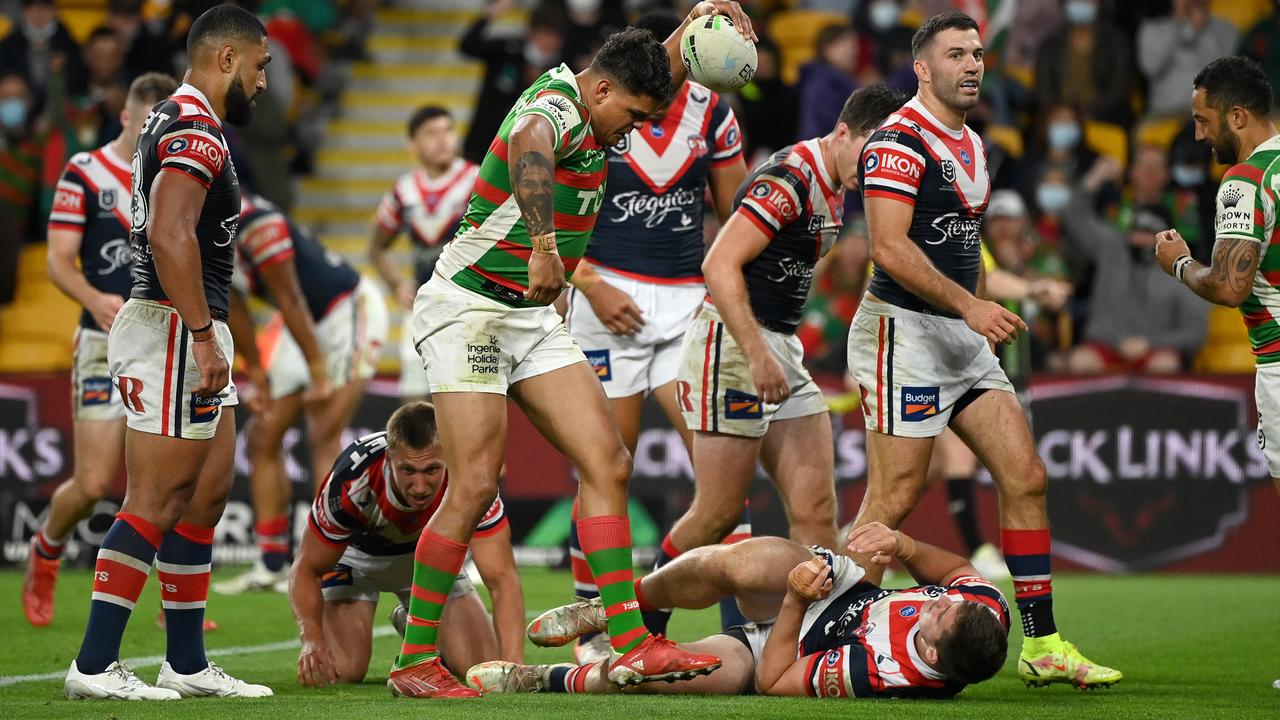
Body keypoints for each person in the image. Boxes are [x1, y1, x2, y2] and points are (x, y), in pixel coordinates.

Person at [387, 4, 758, 699]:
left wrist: (701, 16)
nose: (637, 131)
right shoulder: (553, 105)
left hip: (529, 319)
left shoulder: (610, 91)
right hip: (469, 308)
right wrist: (546, 244)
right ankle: (413, 661)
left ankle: (631, 643)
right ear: (601, 92)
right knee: (472, 485)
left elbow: (658, 59)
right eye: (634, 118)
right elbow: (528, 143)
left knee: (607, 461)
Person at [845, 11, 1121, 690]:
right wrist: (969, 304)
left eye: (978, 54)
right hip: (902, 332)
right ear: (922, 68)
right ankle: (832, 625)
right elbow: (888, 248)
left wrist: (998, 295)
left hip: (956, 336)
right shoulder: (898, 140)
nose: (972, 65)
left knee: (1025, 476)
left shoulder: (970, 143)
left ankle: (1044, 643)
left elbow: (962, 259)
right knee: (897, 494)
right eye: (956, 54)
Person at [593, 84, 905, 646]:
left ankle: (817, 637)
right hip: (732, 345)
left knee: (815, 508)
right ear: (842, 134)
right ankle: (636, 620)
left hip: (779, 345)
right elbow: (720, 264)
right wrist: (757, 353)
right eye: (872, 151)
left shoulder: (841, 184)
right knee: (714, 514)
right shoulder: (790, 177)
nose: (879, 167)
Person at [62, 6, 273, 701]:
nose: (265, 82)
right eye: (260, 66)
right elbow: (173, 236)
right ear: (226, 59)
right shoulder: (195, 128)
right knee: (155, 497)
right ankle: (93, 665)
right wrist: (206, 335)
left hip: (189, 321)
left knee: (205, 496)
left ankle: (184, 662)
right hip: (177, 327)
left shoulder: (176, 118)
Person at [560, 9, 748, 663]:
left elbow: (735, 218)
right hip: (603, 299)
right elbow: (553, 219)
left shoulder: (714, 114)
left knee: (722, 468)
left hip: (686, 307)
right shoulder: (597, 108)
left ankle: (738, 621)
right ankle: (594, 629)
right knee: (605, 466)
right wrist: (588, 284)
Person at [480, 521, 1008, 699]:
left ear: (933, 652)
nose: (939, 602)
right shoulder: (982, 611)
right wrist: (907, 547)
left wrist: (796, 599)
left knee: (673, 673)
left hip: (788, 646)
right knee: (744, 564)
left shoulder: (881, 674)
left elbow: (775, 680)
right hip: (845, 590)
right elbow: (957, 568)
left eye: (937, 615)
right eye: (947, 600)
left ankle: (537, 678)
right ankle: (616, 607)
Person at [23, 72, 178, 628]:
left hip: (163, 339)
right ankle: (45, 549)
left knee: (164, 481)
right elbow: (57, 260)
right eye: (147, 125)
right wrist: (96, 297)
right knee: (92, 484)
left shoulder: (174, 170)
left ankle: (173, 600)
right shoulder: (85, 173)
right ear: (127, 117)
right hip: (100, 339)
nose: (155, 135)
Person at [212, 192, 389, 594]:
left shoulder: (258, 223)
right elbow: (233, 303)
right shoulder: (206, 226)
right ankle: (271, 563)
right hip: (301, 323)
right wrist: (255, 372)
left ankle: (339, 559)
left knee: (323, 432)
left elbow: (290, 296)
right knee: (262, 437)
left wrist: (318, 371)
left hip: (347, 312)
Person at [290, 402, 523, 687]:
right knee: (340, 671)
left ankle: (416, 625)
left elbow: (502, 578)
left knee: (480, 668)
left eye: (431, 470)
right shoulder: (353, 476)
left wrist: (513, 668)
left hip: (433, 562)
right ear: (389, 459)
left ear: (449, 455)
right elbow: (305, 568)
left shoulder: (471, 479)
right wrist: (311, 639)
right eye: (408, 471)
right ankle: (420, 628)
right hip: (355, 561)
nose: (421, 486)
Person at [1154, 54, 1280, 540]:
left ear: (1237, 117)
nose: (1199, 136)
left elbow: (1230, 284)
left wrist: (1180, 265)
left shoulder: (1247, 181)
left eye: (1203, 122)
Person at [367, 105, 478, 402]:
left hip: (469, 306)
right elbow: (376, 247)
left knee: (465, 396)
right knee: (415, 401)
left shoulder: (477, 181)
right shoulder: (404, 191)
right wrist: (396, 285)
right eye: (431, 133)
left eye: (448, 131)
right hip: (422, 306)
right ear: (412, 145)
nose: (442, 140)